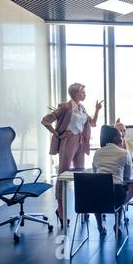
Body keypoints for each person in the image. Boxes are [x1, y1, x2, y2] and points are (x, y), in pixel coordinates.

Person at [42, 83, 103, 229]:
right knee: (63, 174)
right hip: (68, 141)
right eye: (83, 92)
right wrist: (58, 133)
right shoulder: (65, 107)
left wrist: (97, 110)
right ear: (76, 93)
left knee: (80, 174)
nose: (85, 94)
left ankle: (83, 208)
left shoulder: (82, 108)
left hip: (80, 142)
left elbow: (93, 123)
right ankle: (60, 209)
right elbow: (45, 120)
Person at [92, 125, 133, 235]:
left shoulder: (97, 152)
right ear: (115, 139)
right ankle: (118, 223)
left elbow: (94, 172)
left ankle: (99, 225)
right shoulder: (124, 153)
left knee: (99, 192)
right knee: (127, 187)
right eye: (121, 136)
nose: (123, 139)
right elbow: (128, 175)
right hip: (116, 195)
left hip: (96, 195)